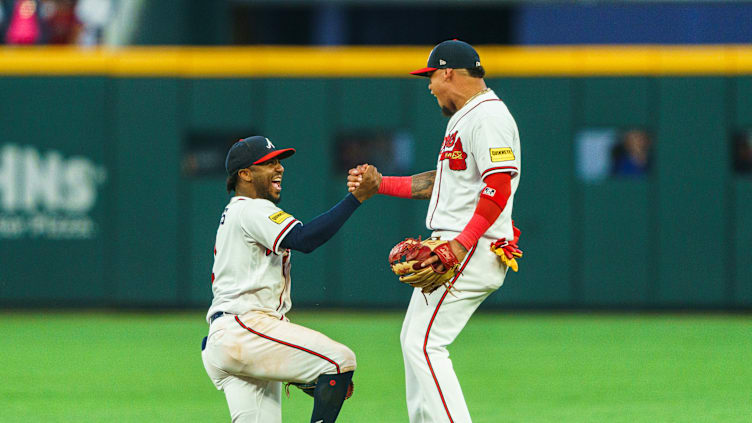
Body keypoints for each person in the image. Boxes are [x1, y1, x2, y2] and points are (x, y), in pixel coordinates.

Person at [348, 39, 523, 422]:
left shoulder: (488, 116)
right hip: (461, 243)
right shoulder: (469, 116)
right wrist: (381, 185)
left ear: (447, 72)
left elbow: (498, 186)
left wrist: (461, 244)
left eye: (431, 77)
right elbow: (440, 183)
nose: (429, 86)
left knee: (425, 346)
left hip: (470, 246)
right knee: (413, 341)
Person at [201, 135, 380, 423]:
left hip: (229, 338)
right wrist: (356, 198)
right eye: (268, 163)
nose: (279, 168)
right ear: (245, 174)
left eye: (279, 161)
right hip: (246, 329)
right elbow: (304, 238)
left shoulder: (236, 212)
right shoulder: (251, 207)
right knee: (339, 361)